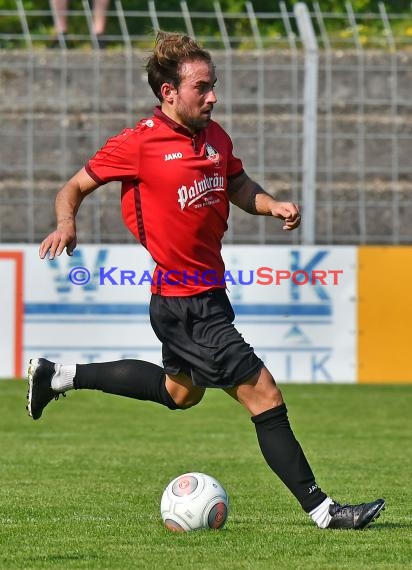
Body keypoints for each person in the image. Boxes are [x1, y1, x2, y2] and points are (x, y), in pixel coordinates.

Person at [27, 31, 385, 530]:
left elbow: (237, 183)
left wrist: (270, 204)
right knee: (263, 393)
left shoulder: (215, 137)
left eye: (213, 85)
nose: (213, 95)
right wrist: (67, 222)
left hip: (207, 295)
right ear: (168, 92)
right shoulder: (139, 142)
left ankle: (59, 375)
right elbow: (74, 186)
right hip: (183, 302)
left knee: (180, 393)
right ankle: (324, 511)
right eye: (202, 87)